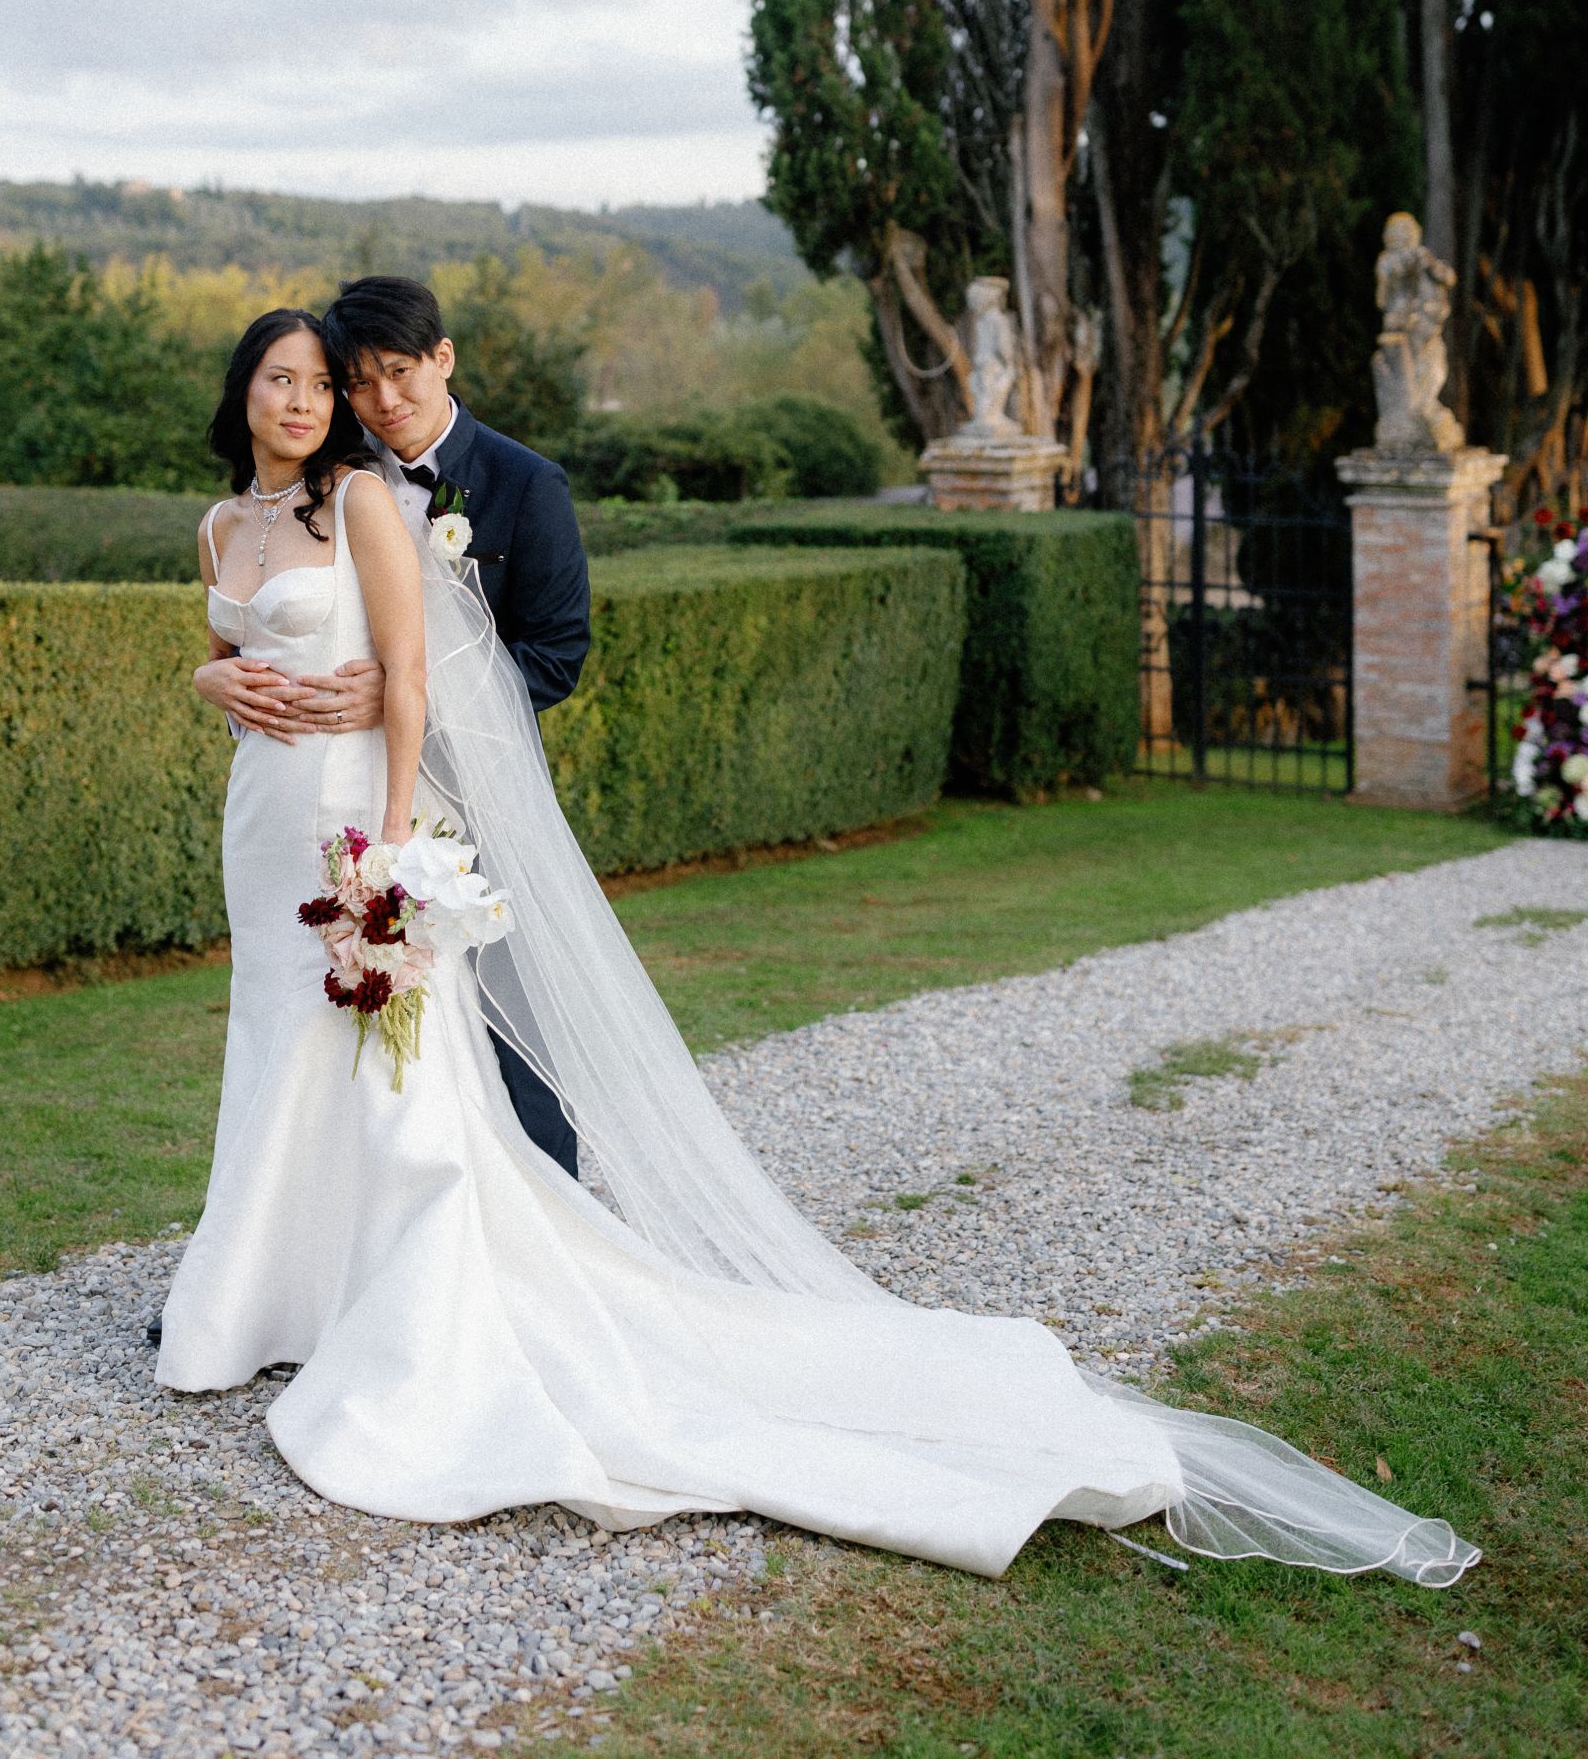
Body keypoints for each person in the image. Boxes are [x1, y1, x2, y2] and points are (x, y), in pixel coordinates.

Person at [157, 307, 1479, 1592]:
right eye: (299, 380)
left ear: (423, 371)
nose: (323, 399)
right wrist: (213, 679)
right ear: (249, 393)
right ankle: (279, 1289)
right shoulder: (235, 521)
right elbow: (235, 644)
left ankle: (424, 1312)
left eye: (335, 381)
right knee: (283, 1053)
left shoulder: (407, 500)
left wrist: (396, 816)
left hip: (389, 825)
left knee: (420, 1093)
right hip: (267, 830)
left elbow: (489, 662)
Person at [193, 273, 590, 1177]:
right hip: (323, 788)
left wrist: (413, 699)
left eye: (400, 374)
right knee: (324, 1021)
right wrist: (213, 672)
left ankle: (547, 1229)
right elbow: (259, 624)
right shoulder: (332, 477)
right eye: (357, 382)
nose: (382, 401)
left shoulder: (525, 485)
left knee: (503, 1015)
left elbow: (557, 654)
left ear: (443, 360)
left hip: (468, 783)